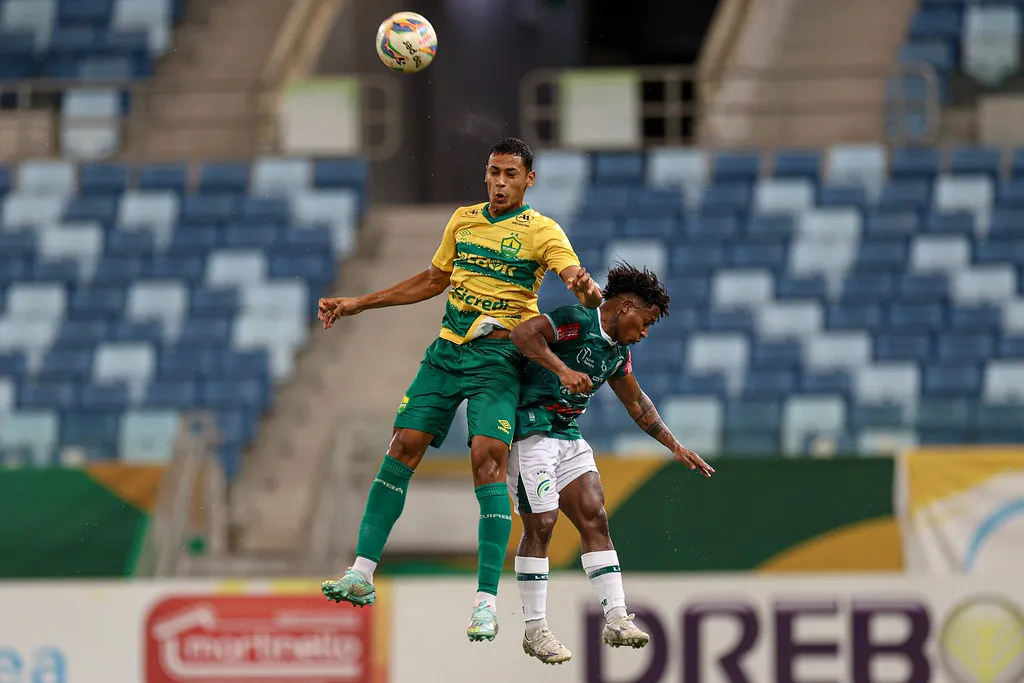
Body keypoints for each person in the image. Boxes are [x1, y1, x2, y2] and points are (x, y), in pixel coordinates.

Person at [316, 137, 602, 643]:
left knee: (488, 460)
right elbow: (433, 280)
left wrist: (581, 284)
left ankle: (485, 603)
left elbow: (570, 272)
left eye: (510, 173)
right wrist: (360, 302)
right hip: (447, 351)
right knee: (402, 446)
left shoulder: (542, 231)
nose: (498, 181)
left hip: (498, 358)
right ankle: (361, 572)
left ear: (528, 180)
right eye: (493, 171)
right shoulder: (463, 220)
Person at [506, 262, 714, 665]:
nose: (645, 332)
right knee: (542, 523)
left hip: (567, 436)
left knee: (594, 516)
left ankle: (617, 617)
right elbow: (522, 334)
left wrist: (674, 445)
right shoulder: (574, 320)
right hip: (531, 433)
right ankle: (535, 629)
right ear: (626, 307)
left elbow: (636, 403)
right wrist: (563, 369)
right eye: (646, 321)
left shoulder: (619, 352)